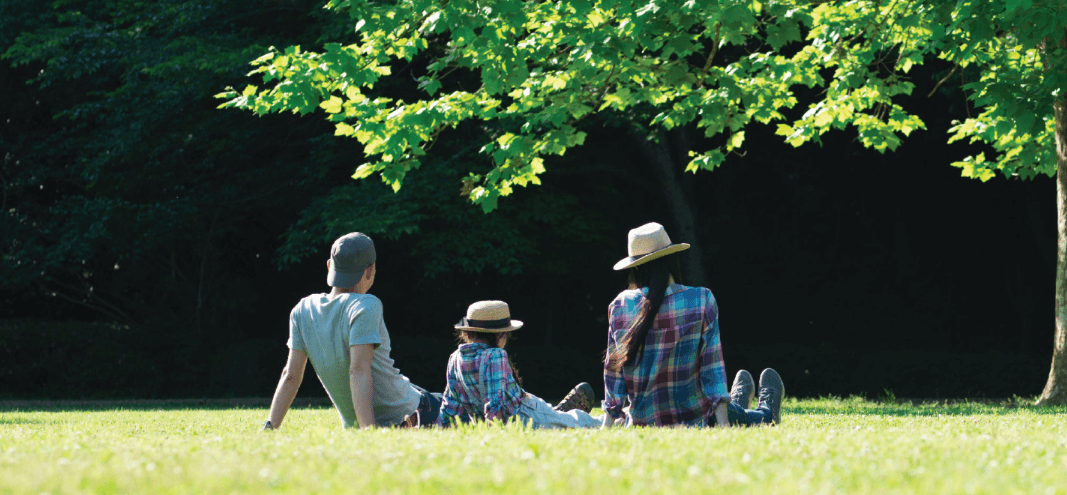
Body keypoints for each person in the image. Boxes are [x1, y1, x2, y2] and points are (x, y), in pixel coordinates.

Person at [602, 222, 784, 427]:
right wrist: (725, 429)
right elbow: (711, 370)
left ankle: (736, 402)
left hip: (642, 423)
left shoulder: (620, 305)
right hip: (697, 420)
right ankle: (767, 411)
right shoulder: (700, 299)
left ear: (635, 267)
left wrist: (606, 426)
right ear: (671, 259)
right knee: (742, 416)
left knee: (729, 411)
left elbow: (613, 375)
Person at [262, 232, 442, 430]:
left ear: (329, 266)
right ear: (370, 270)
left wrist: (270, 426)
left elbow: (291, 375)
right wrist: (368, 431)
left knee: (440, 397)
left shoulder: (303, 310)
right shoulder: (366, 305)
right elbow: (358, 370)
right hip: (411, 414)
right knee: (468, 408)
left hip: (408, 401)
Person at [437, 300, 602, 429]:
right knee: (578, 422)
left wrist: (441, 429)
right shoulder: (495, 356)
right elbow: (495, 403)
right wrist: (495, 431)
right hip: (527, 415)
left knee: (565, 421)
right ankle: (612, 419)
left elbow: (450, 404)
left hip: (523, 412)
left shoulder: (455, 358)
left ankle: (571, 416)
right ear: (501, 334)